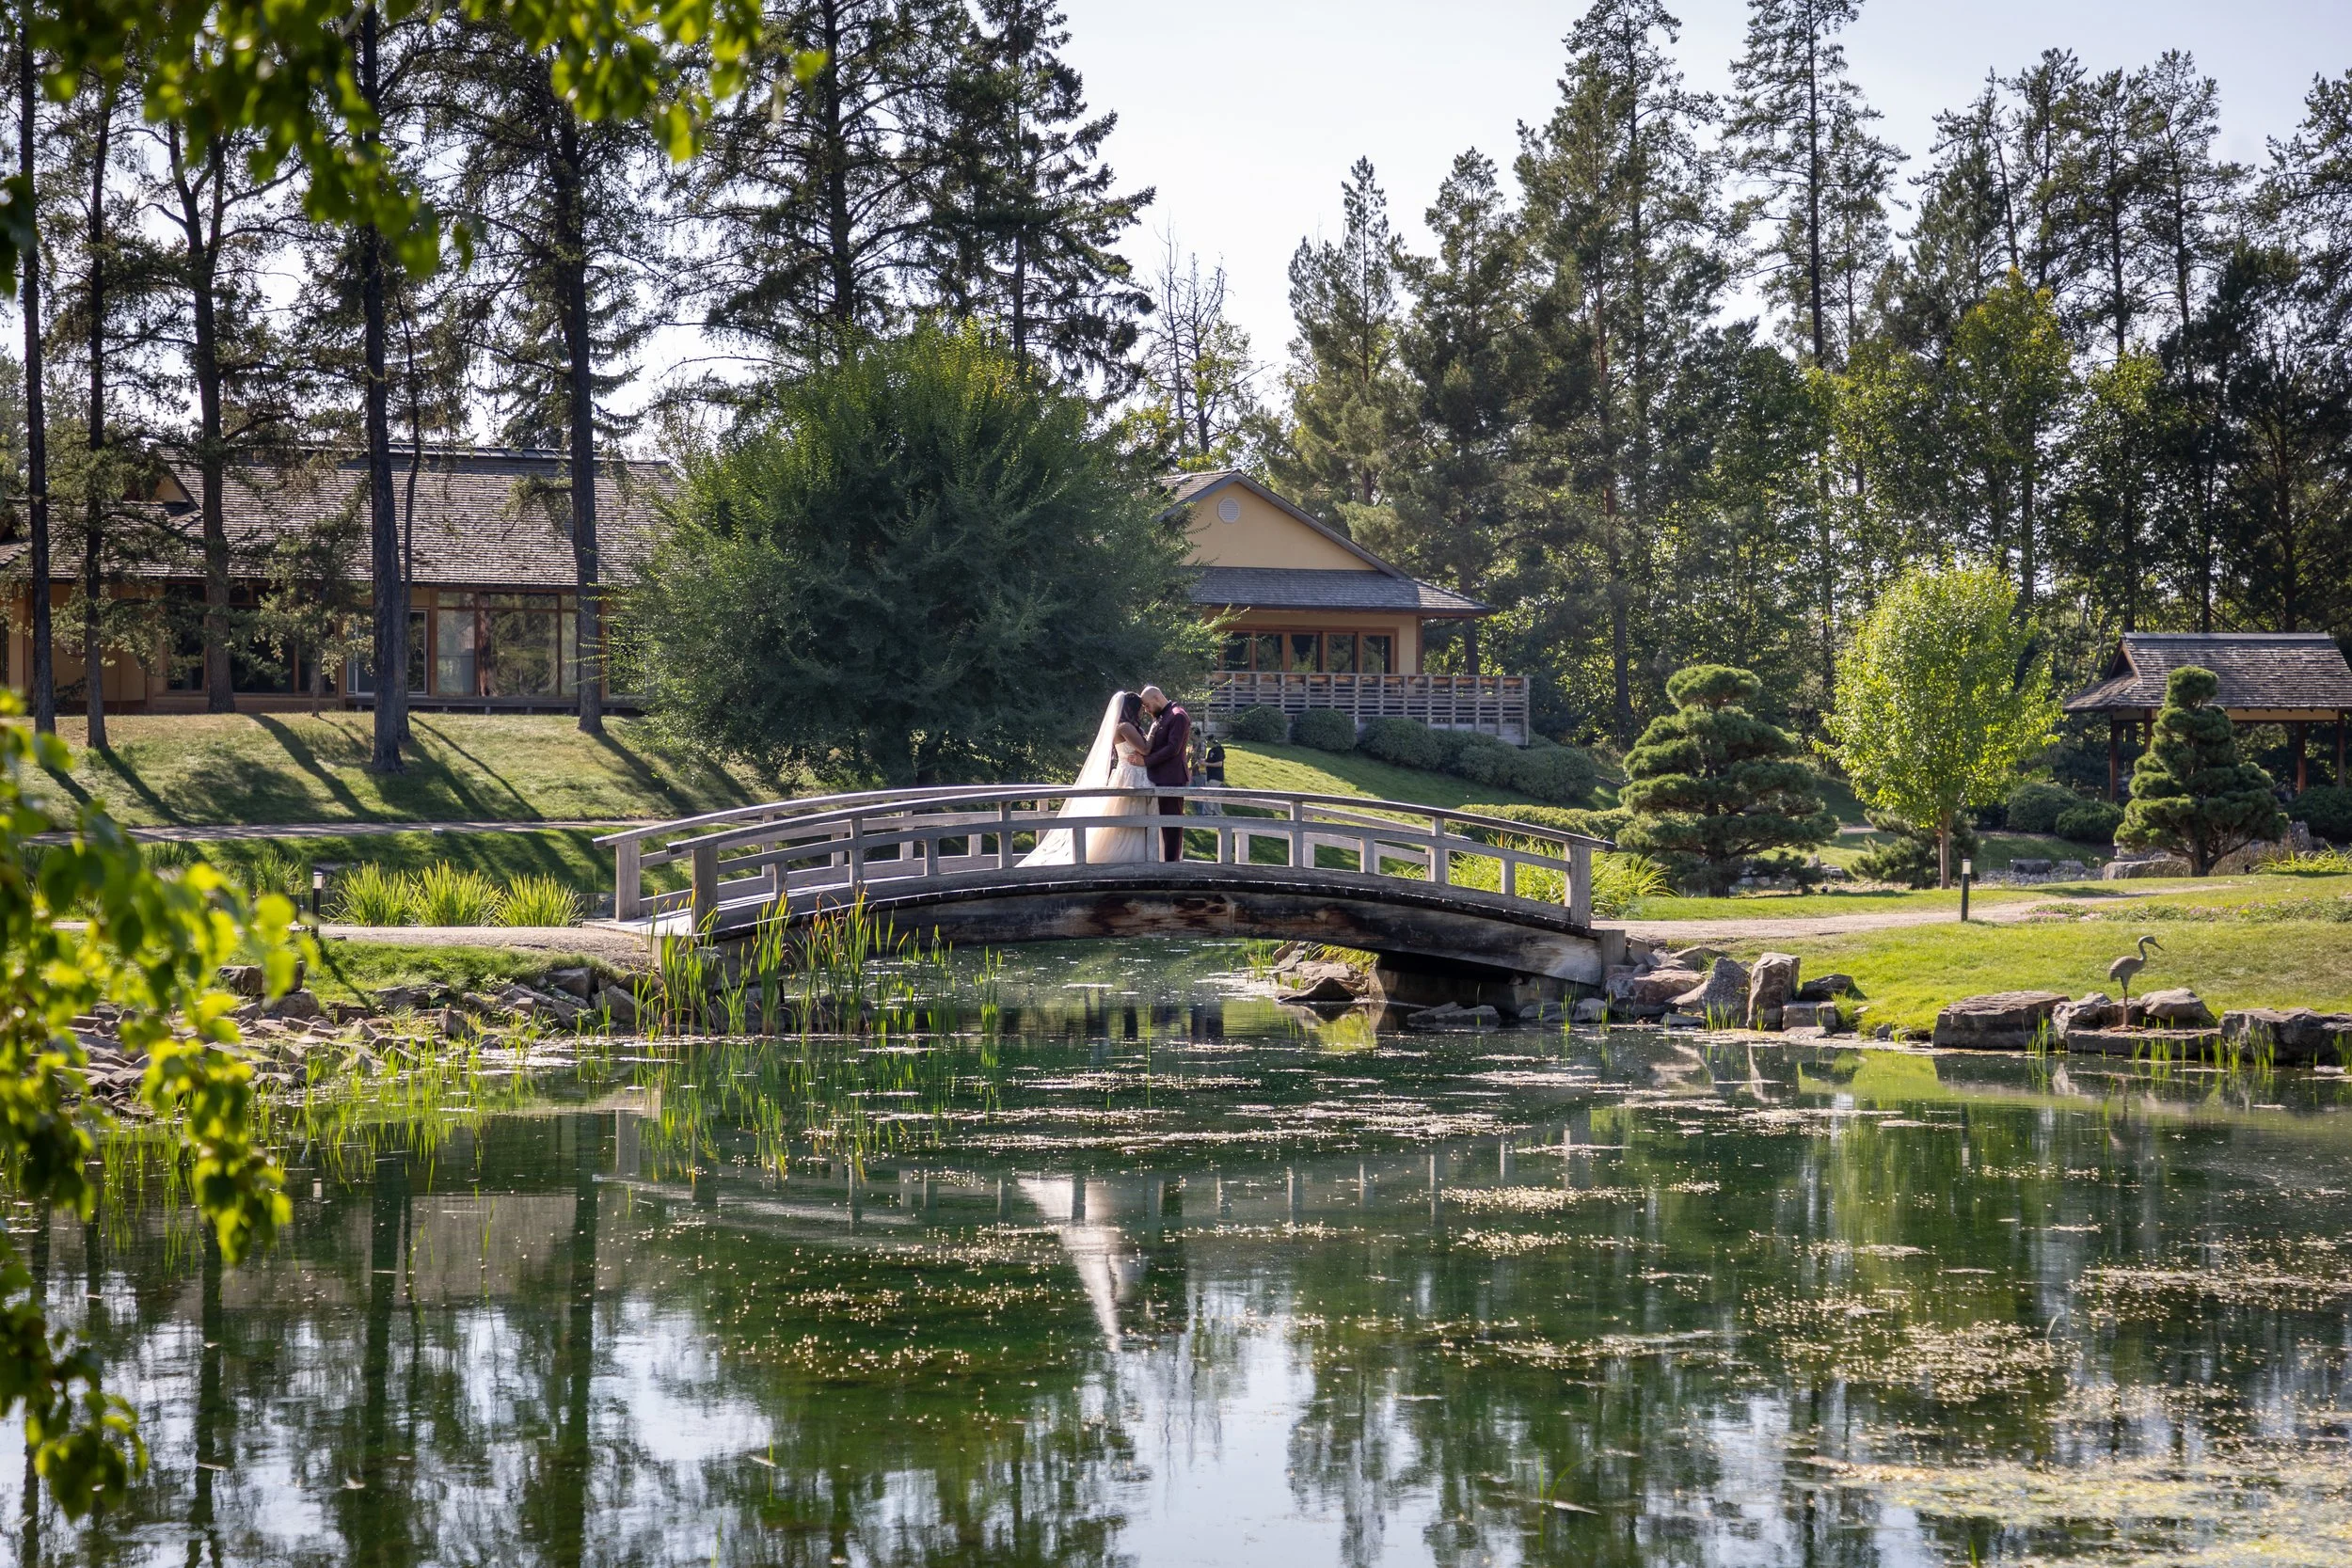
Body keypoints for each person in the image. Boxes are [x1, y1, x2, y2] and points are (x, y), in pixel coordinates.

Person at [1019, 691, 1156, 865]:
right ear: (1132, 708)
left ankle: (1140, 854)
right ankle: (1126, 855)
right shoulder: (1125, 727)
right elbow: (1145, 749)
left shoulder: (1128, 727)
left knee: (1136, 816)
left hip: (1131, 773)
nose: (1143, 712)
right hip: (1131, 775)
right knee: (1129, 816)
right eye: (1141, 708)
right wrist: (1155, 728)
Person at [1137, 686, 1191, 861]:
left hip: (1172, 779)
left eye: (1147, 705)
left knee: (1172, 826)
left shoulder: (1178, 716)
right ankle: (1165, 861)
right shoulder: (1162, 716)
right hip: (1161, 778)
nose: (1146, 710)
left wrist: (1146, 761)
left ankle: (1172, 865)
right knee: (1163, 825)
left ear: (1156, 698)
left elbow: (1172, 749)